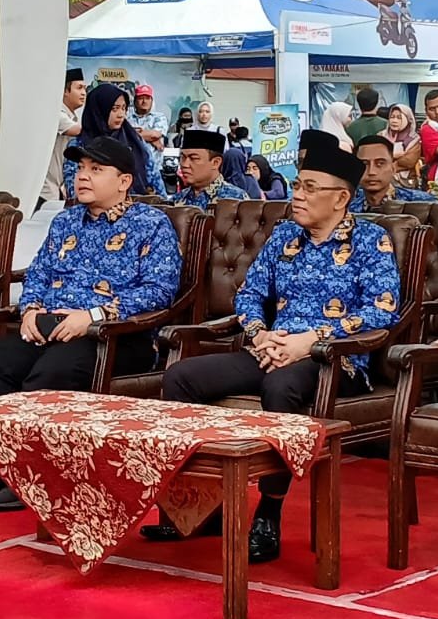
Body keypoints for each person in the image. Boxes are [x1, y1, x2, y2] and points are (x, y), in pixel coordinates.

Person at [151, 138, 399, 564]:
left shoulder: (370, 241)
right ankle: (203, 503)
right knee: (181, 377)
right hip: (270, 348)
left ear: (341, 198)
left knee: (280, 387)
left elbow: (383, 310)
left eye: (309, 189)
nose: (297, 195)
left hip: (333, 359)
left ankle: (268, 513)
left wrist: (313, 341)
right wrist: (259, 334)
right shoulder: (285, 236)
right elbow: (249, 295)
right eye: (298, 185)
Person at [0, 137, 182, 512]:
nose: (83, 177)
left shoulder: (151, 224)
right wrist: (29, 310)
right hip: (52, 330)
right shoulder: (64, 222)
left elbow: (160, 292)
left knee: (49, 373)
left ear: (124, 181)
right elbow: (37, 275)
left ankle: (34, 476)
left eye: (96, 170)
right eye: (80, 169)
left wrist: (92, 316)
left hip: (115, 337)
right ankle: (3, 468)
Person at [61, 82, 155, 201]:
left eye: (123, 108)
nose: (121, 115)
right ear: (99, 110)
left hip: (136, 209)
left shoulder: (134, 140)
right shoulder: (79, 146)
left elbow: (154, 177)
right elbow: (74, 191)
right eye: (115, 109)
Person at [40, 68, 87, 208]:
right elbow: (77, 130)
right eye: (79, 88)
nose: (84, 93)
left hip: (58, 184)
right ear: (65, 91)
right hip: (45, 185)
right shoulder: (56, 113)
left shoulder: (73, 117)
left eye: (85, 88)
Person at [350, 135, 433, 212]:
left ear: (393, 168)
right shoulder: (346, 208)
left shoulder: (423, 203)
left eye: (380, 164)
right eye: (364, 164)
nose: (372, 172)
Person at [171, 128, 249, 209]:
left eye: (194, 158)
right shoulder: (177, 200)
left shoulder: (236, 200)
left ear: (215, 163)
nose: (185, 164)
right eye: (183, 157)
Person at [131, 83, 170, 195]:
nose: (144, 101)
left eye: (147, 98)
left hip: (155, 170)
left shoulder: (159, 117)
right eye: (141, 98)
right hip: (133, 170)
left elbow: (155, 135)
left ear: (152, 100)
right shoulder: (127, 117)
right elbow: (125, 135)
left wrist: (135, 133)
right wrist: (150, 139)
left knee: (161, 203)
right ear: (135, 101)